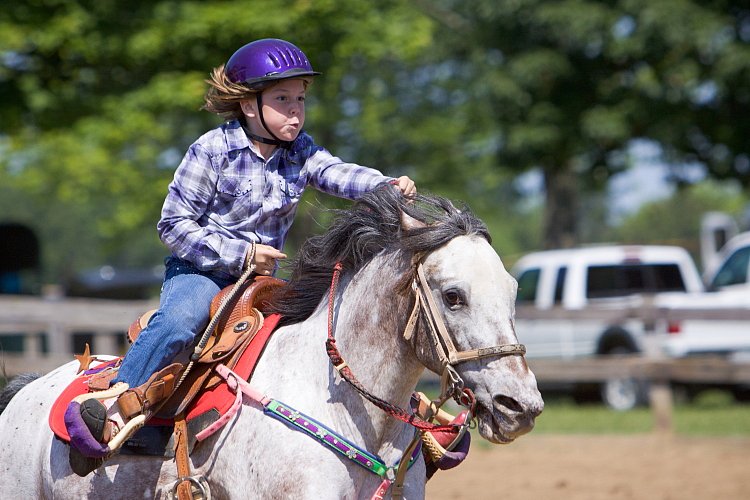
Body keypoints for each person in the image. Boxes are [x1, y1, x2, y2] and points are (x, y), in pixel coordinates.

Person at [65, 38, 416, 459]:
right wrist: (243, 255)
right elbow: (173, 226)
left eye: (300, 99)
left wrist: (384, 185)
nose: (295, 110)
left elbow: (338, 173)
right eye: (282, 99)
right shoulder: (211, 150)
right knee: (181, 322)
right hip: (201, 272)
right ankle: (112, 405)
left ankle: (399, 416)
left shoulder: (301, 151)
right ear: (250, 105)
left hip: (261, 281)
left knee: (322, 325)